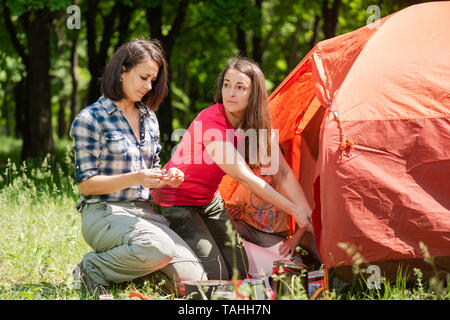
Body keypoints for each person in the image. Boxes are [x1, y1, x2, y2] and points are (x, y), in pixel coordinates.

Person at [151, 56, 313, 280]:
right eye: (226, 85)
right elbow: (245, 178)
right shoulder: (212, 121)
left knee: (238, 271)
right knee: (216, 274)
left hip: (208, 202)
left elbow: (283, 172)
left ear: (254, 93)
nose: (230, 93)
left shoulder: (253, 125)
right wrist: (294, 211)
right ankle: (155, 266)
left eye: (240, 87)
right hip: (175, 200)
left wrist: (310, 217)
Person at [70, 39, 206, 296]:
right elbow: (87, 185)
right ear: (122, 70)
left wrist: (167, 177)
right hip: (103, 213)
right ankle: (92, 268)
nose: (149, 86)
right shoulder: (90, 119)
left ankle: (134, 270)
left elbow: (151, 171)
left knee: (195, 282)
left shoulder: (149, 118)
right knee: (160, 248)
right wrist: (138, 177)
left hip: (145, 215)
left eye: (153, 80)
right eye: (143, 77)